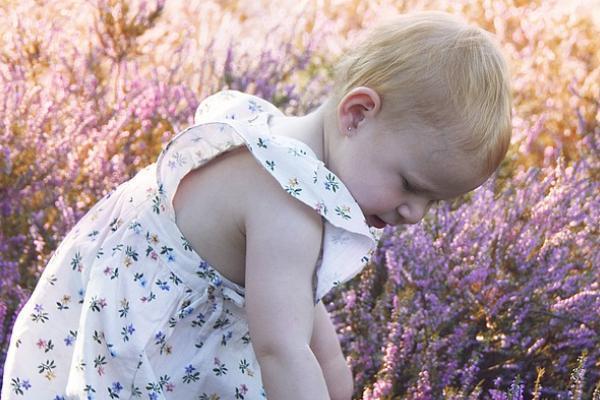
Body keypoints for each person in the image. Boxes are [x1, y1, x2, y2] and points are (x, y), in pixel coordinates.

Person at [2, 10, 512, 400]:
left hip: (106, 307)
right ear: (356, 114)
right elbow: (281, 349)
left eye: (433, 202)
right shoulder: (286, 203)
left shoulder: (274, 142)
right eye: (408, 184)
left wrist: (336, 378)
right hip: (139, 353)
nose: (413, 213)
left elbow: (300, 301)